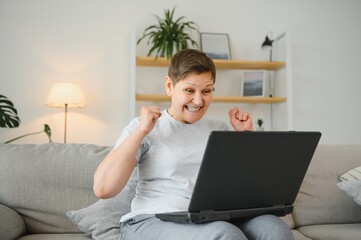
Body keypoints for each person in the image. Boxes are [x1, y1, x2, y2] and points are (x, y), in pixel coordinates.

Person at [93, 49, 294, 240]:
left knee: (274, 229)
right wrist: (141, 132)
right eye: (189, 90)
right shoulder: (144, 126)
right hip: (151, 219)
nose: (198, 101)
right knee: (224, 235)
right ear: (170, 86)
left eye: (206, 91)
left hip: (211, 218)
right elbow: (103, 188)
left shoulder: (220, 129)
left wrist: (246, 138)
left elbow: (252, 188)